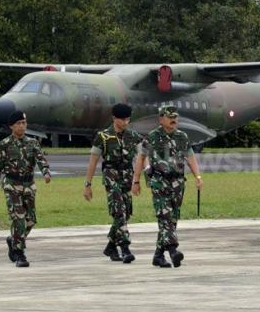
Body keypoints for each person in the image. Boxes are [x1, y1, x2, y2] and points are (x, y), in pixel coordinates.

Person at [132, 105, 203, 268]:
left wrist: (198, 177)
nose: (173, 120)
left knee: (172, 219)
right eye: (170, 117)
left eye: (175, 117)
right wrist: (136, 181)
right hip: (159, 181)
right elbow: (141, 158)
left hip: (178, 183)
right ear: (161, 119)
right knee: (165, 217)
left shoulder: (182, 137)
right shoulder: (152, 137)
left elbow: (190, 157)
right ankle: (173, 251)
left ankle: (158, 256)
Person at [0, 110, 51, 268]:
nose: (22, 126)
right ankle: (19, 254)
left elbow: (41, 160)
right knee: (19, 218)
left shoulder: (33, 143)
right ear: (11, 126)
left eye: (24, 123)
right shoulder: (3, 145)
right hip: (12, 185)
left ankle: (13, 240)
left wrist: (46, 173)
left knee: (30, 220)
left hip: (28, 185)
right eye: (19, 123)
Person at [83, 103, 142, 264]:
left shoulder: (133, 136)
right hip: (111, 177)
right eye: (122, 119)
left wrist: (140, 177)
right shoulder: (103, 137)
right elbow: (93, 161)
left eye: (128, 119)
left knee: (126, 213)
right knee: (119, 211)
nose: (126, 122)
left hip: (127, 178)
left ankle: (111, 246)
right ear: (114, 118)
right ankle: (125, 248)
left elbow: (143, 155)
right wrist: (88, 184)